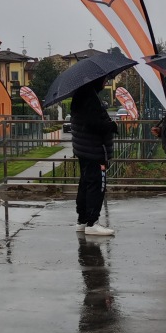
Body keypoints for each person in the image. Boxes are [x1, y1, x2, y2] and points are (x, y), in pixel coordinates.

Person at [71, 78, 118, 236]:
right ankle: (92, 222)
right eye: (104, 80)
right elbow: (94, 124)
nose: (105, 83)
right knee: (96, 185)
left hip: (84, 149)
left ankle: (83, 220)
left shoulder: (81, 95)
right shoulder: (89, 98)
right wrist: (111, 126)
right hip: (94, 150)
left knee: (86, 183)